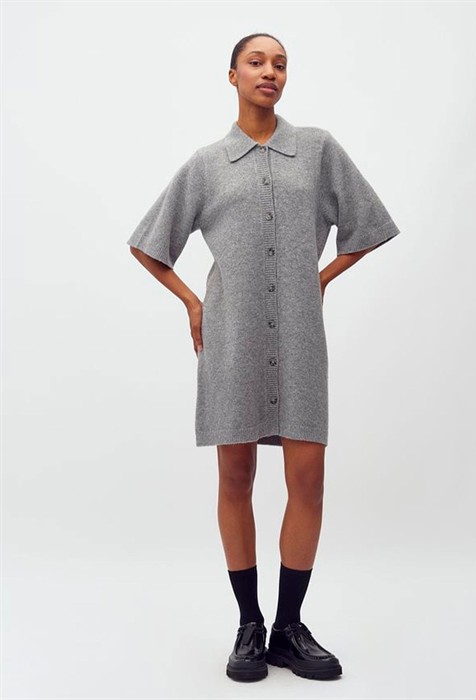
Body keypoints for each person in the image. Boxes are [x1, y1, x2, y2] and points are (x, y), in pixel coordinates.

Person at [127, 32, 401, 683]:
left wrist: (321, 277)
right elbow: (148, 244)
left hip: (301, 338)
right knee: (236, 478)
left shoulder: (318, 151)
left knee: (308, 479)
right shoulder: (207, 165)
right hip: (232, 337)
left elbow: (368, 224)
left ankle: (289, 627)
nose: (269, 72)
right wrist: (193, 303)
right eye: (256, 62)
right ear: (232, 75)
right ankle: (249, 625)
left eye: (280, 64)